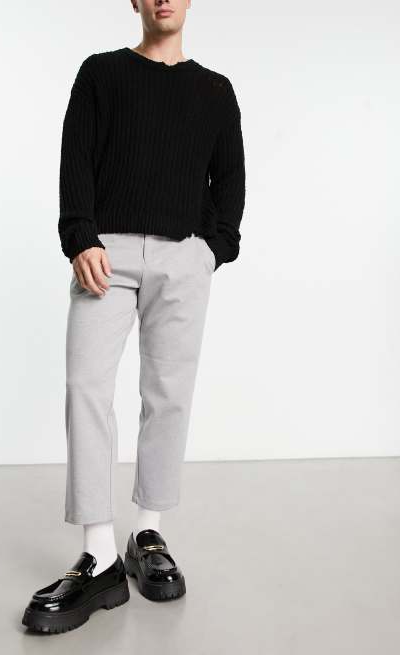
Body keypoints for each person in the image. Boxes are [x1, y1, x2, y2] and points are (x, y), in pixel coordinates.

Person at [22, 0, 245, 633]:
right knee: (86, 387)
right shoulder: (101, 73)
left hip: (183, 256)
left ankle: (148, 533)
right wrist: (80, 237)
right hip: (106, 256)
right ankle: (99, 553)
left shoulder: (215, 91)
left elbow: (229, 179)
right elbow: (76, 158)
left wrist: (210, 251)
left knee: (167, 394)